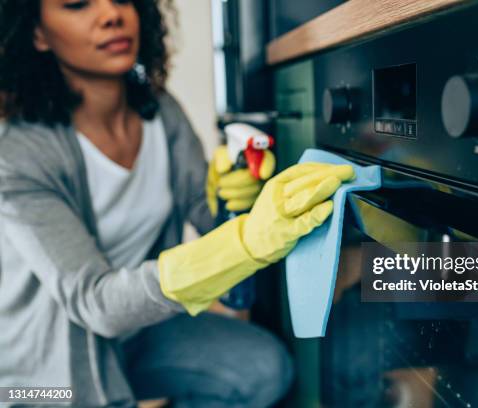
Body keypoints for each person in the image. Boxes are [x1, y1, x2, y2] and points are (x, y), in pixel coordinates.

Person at [0, 0, 355, 406]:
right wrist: (244, 243)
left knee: (263, 369)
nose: (111, 14)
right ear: (37, 34)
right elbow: (96, 303)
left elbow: (205, 214)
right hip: (41, 365)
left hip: (140, 327)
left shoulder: (160, 111)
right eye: (78, 4)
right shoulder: (16, 156)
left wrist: (234, 198)